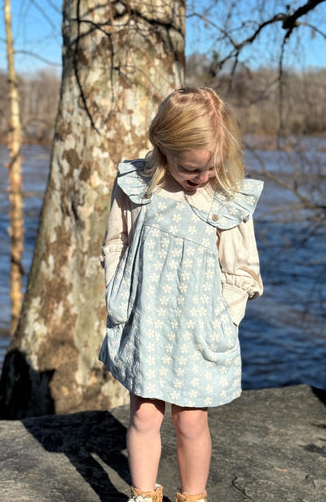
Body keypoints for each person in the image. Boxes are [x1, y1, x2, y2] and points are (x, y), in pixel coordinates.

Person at [99, 87, 263, 502]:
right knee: (143, 415)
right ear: (162, 147)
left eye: (211, 168)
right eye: (190, 169)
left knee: (191, 421)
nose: (201, 178)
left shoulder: (225, 199)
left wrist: (224, 321)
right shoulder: (136, 187)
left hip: (199, 330)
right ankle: (142, 495)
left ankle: (193, 496)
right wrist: (119, 299)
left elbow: (240, 270)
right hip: (146, 324)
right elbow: (116, 244)